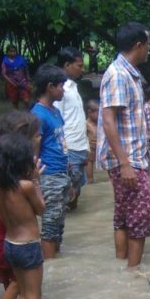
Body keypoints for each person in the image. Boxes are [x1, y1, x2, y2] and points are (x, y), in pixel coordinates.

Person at [98, 22, 150, 268]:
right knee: (140, 219)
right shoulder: (118, 75)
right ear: (139, 45)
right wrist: (125, 164)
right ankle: (133, 273)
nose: (149, 50)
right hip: (127, 160)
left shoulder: (128, 74)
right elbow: (109, 121)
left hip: (128, 159)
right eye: (147, 45)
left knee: (123, 216)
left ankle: (122, 272)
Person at [0, 132, 46, 299]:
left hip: (10, 244)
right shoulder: (26, 186)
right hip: (28, 246)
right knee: (33, 296)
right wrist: (37, 181)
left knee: (23, 292)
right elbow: (41, 209)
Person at [30, 64, 71, 259]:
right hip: (49, 175)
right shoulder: (38, 114)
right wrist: (35, 179)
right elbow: (34, 147)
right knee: (50, 223)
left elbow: (59, 141)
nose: (63, 89)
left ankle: (56, 258)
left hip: (61, 172)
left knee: (58, 222)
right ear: (49, 87)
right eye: (61, 86)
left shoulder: (54, 111)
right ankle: (50, 262)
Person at [54, 46, 90, 210]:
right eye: (79, 65)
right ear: (67, 65)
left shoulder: (72, 87)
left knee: (76, 193)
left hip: (80, 146)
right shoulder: (60, 90)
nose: (82, 69)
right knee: (69, 195)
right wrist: (63, 150)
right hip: (70, 148)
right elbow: (57, 121)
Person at [0, 44, 31, 110]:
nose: (12, 53)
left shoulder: (21, 59)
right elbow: (4, 74)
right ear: (7, 52)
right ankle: (17, 116)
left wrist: (28, 78)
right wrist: (11, 83)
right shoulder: (5, 61)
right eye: (10, 51)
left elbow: (26, 69)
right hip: (12, 84)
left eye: (14, 51)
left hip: (23, 82)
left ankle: (27, 113)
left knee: (26, 100)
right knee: (15, 102)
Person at [84, 99, 99, 183]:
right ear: (89, 113)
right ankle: (90, 180)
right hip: (90, 149)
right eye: (96, 112)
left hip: (99, 148)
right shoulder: (85, 124)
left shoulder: (100, 123)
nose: (98, 114)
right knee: (89, 161)